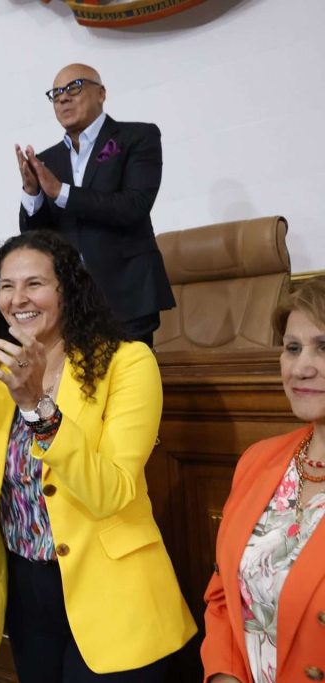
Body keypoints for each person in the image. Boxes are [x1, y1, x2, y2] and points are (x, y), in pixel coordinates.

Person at [0, 230, 195, 682]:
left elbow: (112, 492)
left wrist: (37, 406)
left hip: (113, 591)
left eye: (34, 284)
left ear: (68, 290)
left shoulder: (127, 363)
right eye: (7, 286)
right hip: (29, 595)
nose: (18, 298)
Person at [201, 276, 325, 683]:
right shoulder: (258, 460)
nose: (302, 366)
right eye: (292, 348)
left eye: (324, 347)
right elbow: (224, 596)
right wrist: (223, 674)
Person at [16, 63, 174, 345]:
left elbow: (134, 206)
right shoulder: (48, 160)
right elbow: (37, 240)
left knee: (131, 386)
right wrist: (33, 193)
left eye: (73, 88)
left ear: (101, 93)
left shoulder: (137, 137)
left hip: (127, 296)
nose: (63, 98)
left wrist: (61, 191)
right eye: (56, 93)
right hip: (72, 305)